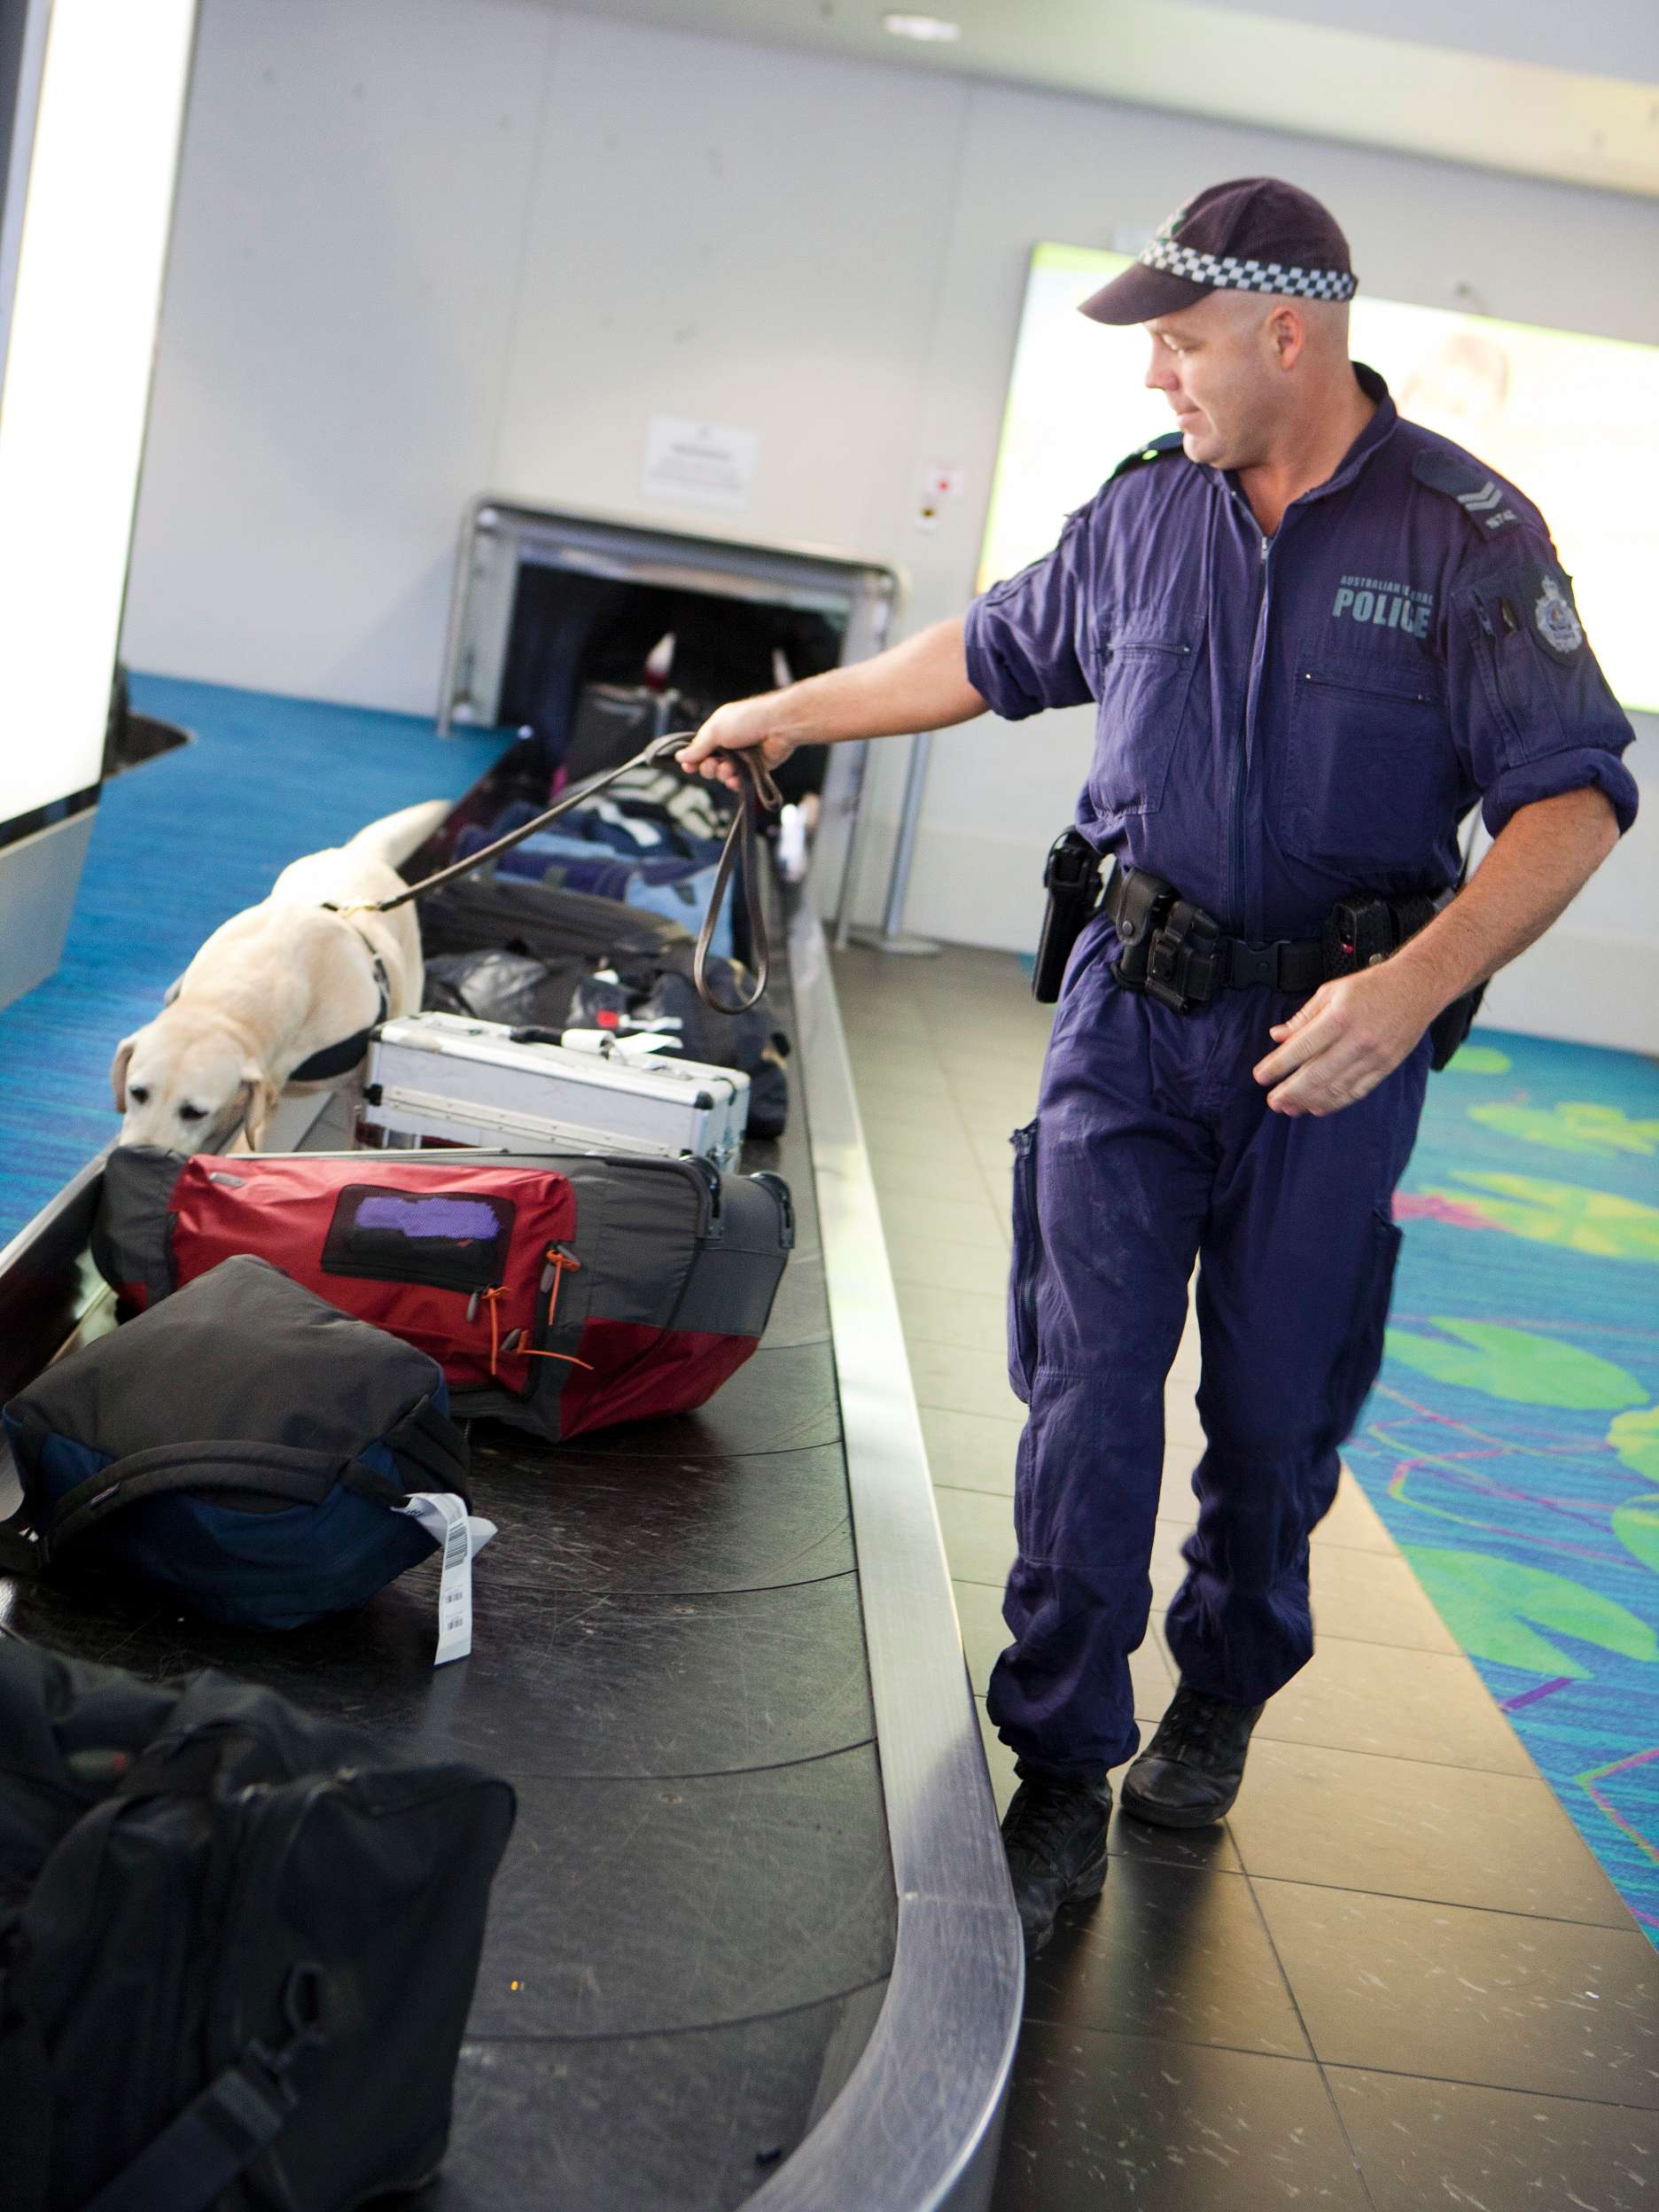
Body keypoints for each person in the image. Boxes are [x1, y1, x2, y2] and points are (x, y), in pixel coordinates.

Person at [676, 176, 1639, 1959]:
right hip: (1129, 1012)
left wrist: (1413, 989)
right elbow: (979, 655)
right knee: (1086, 1392)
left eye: (1181, 344)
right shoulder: (1141, 518)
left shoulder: (1470, 536)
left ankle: (1227, 1681)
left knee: (1272, 1424)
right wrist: (779, 713)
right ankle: (1058, 1760)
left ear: (1291, 332)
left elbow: (1571, 800)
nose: (1157, 382)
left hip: (1330, 1051)